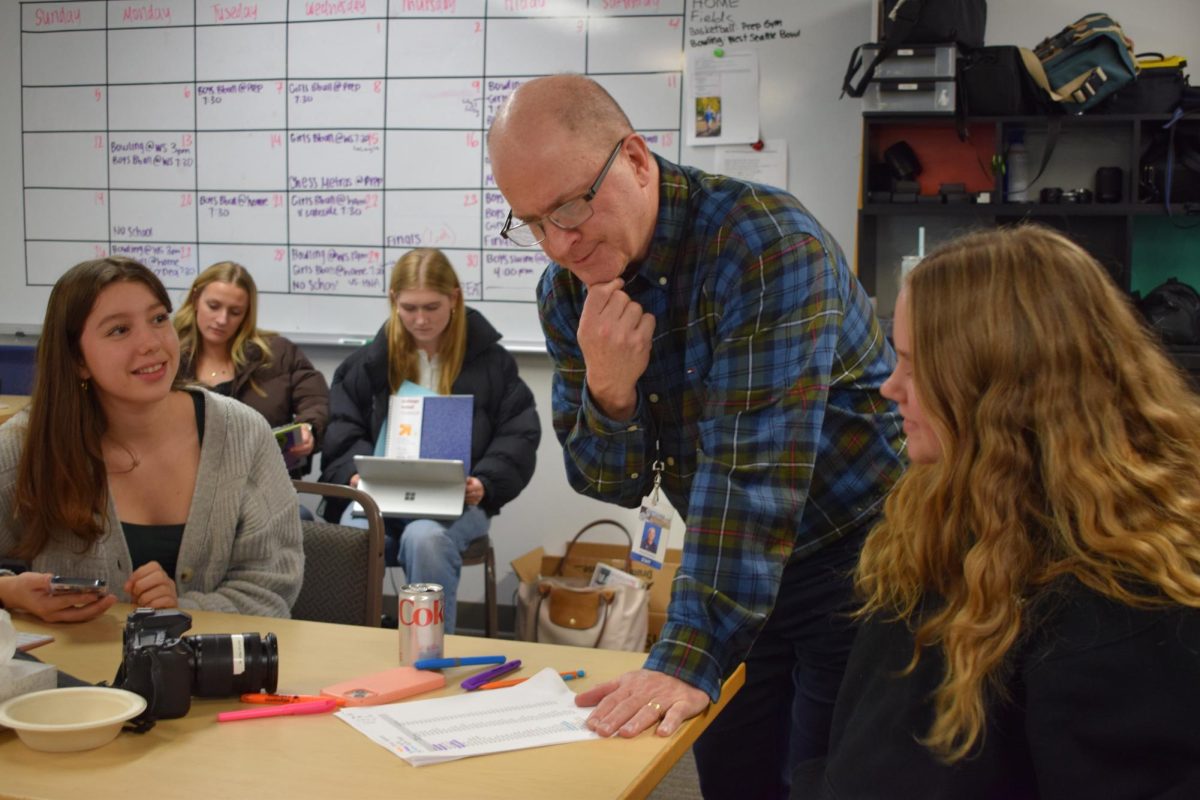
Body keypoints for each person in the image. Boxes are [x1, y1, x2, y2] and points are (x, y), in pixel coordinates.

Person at [488, 74, 905, 797]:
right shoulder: (569, 293)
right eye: (531, 222)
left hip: (859, 555)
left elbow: (754, 476)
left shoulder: (766, 246)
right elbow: (606, 482)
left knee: (828, 777)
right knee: (732, 773)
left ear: (638, 162)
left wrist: (684, 654)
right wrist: (611, 393)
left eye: (571, 206)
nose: (558, 244)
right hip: (735, 563)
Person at [792, 225, 1200, 798]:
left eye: (913, 364)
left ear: (995, 390)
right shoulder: (942, 509)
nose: (891, 387)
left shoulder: (1116, 610)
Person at [0, 257, 304, 622]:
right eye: (119, 330)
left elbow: (273, 587)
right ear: (78, 359)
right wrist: (11, 592)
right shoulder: (27, 443)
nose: (151, 343)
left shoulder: (243, 434)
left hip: (212, 674)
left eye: (159, 319)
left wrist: (184, 609)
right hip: (72, 675)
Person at [320, 248, 540, 633]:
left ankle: (429, 656)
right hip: (381, 501)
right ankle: (350, 649)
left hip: (453, 506)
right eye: (409, 308)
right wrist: (354, 475)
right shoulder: (368, 363)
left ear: (454, 298)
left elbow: (518, 433)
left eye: (432, 307)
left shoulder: (491, 362)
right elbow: (342, 428)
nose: (420, 320)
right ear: (393, 301)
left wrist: (485, 483)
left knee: (425, 538)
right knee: (352, 535)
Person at [174, 261, 329, 478]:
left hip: (263, 485)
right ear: (195, 299)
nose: (222, 320)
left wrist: (308, 428)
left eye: (235, 312)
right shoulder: (169, 357)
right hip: (187, 486)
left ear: (247, 314)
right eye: (214, 306)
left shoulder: (276, 354)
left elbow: (315, 400)